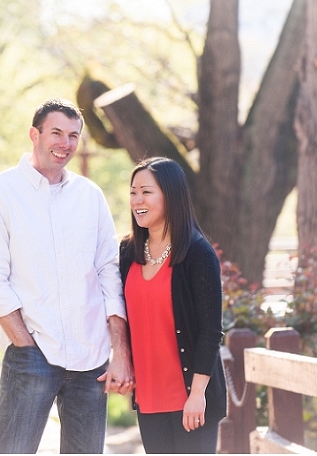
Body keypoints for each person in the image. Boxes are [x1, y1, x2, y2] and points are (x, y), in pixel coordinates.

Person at [0, 98, 133, 454]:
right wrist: (25, 344)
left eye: (73, 135)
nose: (65, 143)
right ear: (34, 134)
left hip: (91, 357)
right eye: (56, 132)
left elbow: (109, 273)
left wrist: (119, 350)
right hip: (33, 350)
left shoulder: (90, 197)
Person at [119, 157, 226, 454]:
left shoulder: (197, 254)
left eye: (146, 192)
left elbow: (211, 331)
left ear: (171, 195)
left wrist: (197, 394)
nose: (137, 200)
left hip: (190, 398)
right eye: (133, 192)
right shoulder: (128, 252)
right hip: (149, 397)